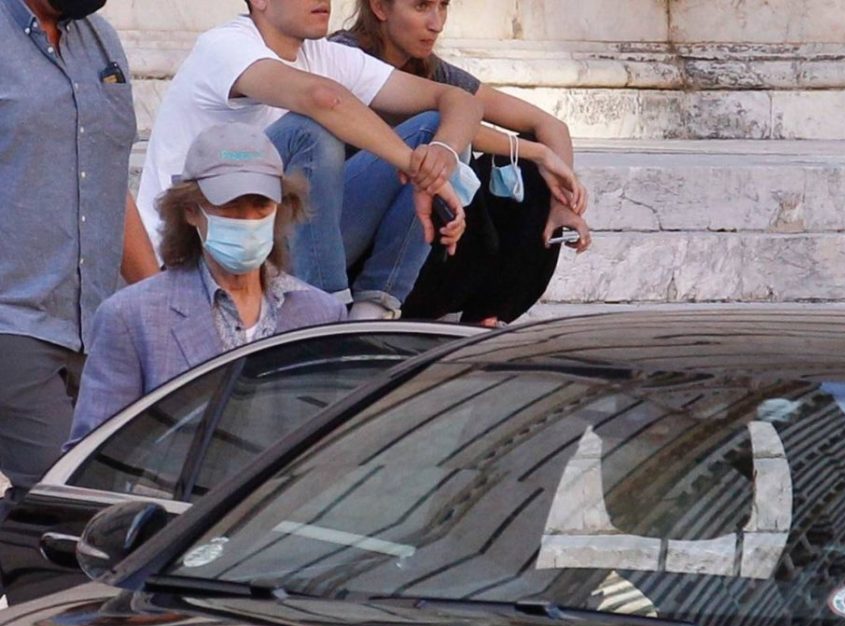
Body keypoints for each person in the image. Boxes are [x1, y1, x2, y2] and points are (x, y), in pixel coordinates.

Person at [136, 0, 484, 321]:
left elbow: (458, 100)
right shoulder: (224, 45)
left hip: (276, 245)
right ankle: (322, 319)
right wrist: (416, 168)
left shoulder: (325, 55)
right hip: (201, 248)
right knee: (310, 131)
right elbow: (322, 99)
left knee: (434, 134)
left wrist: (441, 159)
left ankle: (370, 314)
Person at [67, 123, 347, 447]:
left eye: (261, 205)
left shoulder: (323, 316)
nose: (248, 220)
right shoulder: (131, 317)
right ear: (190, 211)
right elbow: (92, 456)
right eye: (230, 205)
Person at [331, 0, 591, 325]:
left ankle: (488, 316)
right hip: (347, 248)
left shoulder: (434, 71)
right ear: (381, 8)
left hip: (422, 246)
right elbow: (437, 125)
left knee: (527, 171)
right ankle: (373, 309)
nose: (436, 23)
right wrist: (535, 152)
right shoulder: (342, 57)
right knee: (439, 146)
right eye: (422, 6)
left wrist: (561, 204)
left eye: (443, 6)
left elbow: (550, 126)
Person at [0, 0, 158, 527]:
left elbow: (109, 184)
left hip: (100, 328)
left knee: (119, 502)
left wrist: (160, 300)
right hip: (12, 324)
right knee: (72, 504)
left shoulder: (102, 42)